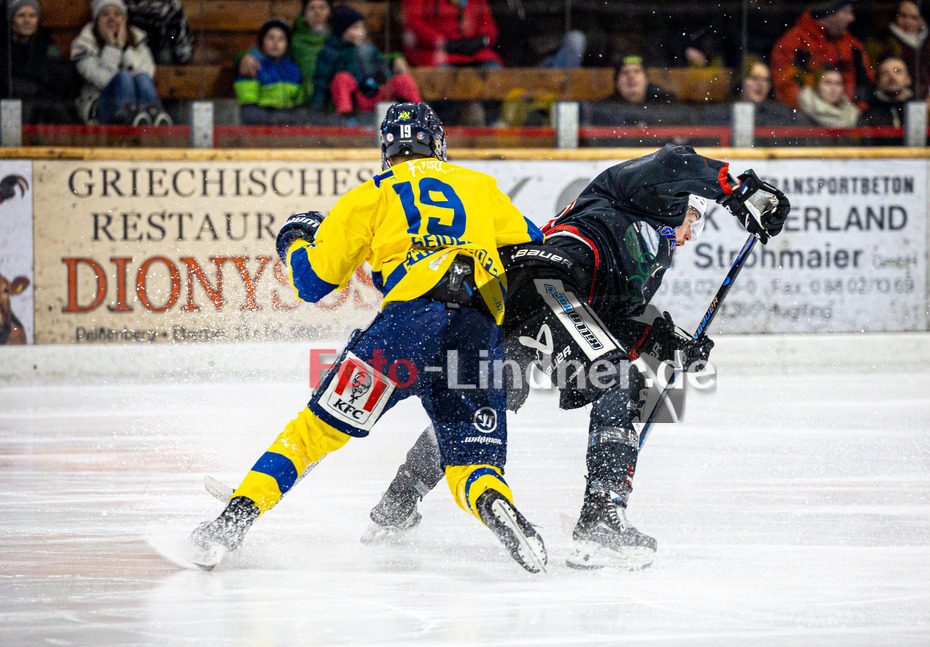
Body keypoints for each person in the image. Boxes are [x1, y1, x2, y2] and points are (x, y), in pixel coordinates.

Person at [364, 144, 791, 570]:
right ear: (681, 202)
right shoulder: (635, 194)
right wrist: (739, 191)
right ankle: (601, 515)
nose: (686, 234)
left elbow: (615, 318)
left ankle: (399, 501)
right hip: (544, 281)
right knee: (619, 378)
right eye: (692, 220)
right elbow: (676, 159)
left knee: (496, 394)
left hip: (513, 299)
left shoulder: (650, 261)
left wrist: (669, 345)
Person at [181, 103, 549, 574]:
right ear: (438, 144)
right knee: (470, 462)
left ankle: (233, 520)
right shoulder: (480, 187)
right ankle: (495, 504)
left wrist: (294, 242)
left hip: (406, 328)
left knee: (314, 432)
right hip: (476, 328)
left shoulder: (368, 196)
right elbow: (531, 251)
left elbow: (312, 284)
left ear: (386, 150)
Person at [69, 0, 173, 125]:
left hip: (139, 107)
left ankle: (154, 117)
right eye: (105, 14)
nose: (112, 19)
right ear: (96, 20)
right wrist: (113, 47)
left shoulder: (138, 40)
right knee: (124, 77)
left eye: (117, 14)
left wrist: (125, 49)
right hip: (100, 109)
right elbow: (103, 80)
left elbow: (148, 72)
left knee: (142, 77)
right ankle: (132, 117)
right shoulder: (83, 45)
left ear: (124, 20)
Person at [310, 4, 421, 115]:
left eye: (362, 28)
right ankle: (345, 117)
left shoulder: (370, 49)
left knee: (403, 79)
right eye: (355, 28)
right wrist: (318, 107)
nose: (360, 32)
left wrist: (386, 81)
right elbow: (321, 82)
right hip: (355, 101)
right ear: (341, 30)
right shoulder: (330, 52)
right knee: (341, 78)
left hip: (376, 95)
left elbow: (383, 69)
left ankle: (419, 115)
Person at [770, 0, 874, 108]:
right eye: (845, 12)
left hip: (846, 117)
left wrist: (857, 110)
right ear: (829, 14)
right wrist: (809, 109)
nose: (851, 18)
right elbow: (783, 85)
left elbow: (864, 83)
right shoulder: (793, 43)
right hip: (804, 116)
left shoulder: (853, 46)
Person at [0, 0, 74, 119]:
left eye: (32, 16)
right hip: (9, 103)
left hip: (41, 102)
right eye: (21, 15)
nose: (27, 21)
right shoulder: (4, 47)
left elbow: (59, 80)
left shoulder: (47, 45)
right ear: (11, 20)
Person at [234, 19, 306, 125]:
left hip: (288, 129)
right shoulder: (253, 67)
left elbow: (299, 106)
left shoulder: (294, 71)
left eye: (281, 39)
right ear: (262, 41)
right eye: (270, 38)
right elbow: (249, 111)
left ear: (287, 44)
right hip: (261, 129)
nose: (275, 43)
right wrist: (277, 119)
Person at [401, 0, 503, 68]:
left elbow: (489, 26)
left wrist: (480, 40)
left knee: (494, 72)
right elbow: (413, 23)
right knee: (443, 84)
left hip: (477, 55)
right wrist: (441, 42)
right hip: (438, 56)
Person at [124, 0, 193, 65]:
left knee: (164, 56)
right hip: (133, 45)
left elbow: (177, 32)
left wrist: (183, 57)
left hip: (159, 47)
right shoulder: (128, 4)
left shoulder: (170, 4)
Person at [858, 55, 916, 127]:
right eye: (885, 73)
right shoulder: (868, 114)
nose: (892, 76)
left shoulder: (920, 110)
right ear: (878, 81)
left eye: (898, 71)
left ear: (908, 79)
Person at [602, 55, 676, 105]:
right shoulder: (604, 108)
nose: (631, 76)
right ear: (616, 82)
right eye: (625, 72)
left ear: (646, 80)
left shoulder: (665, 102)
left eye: (637, 71)